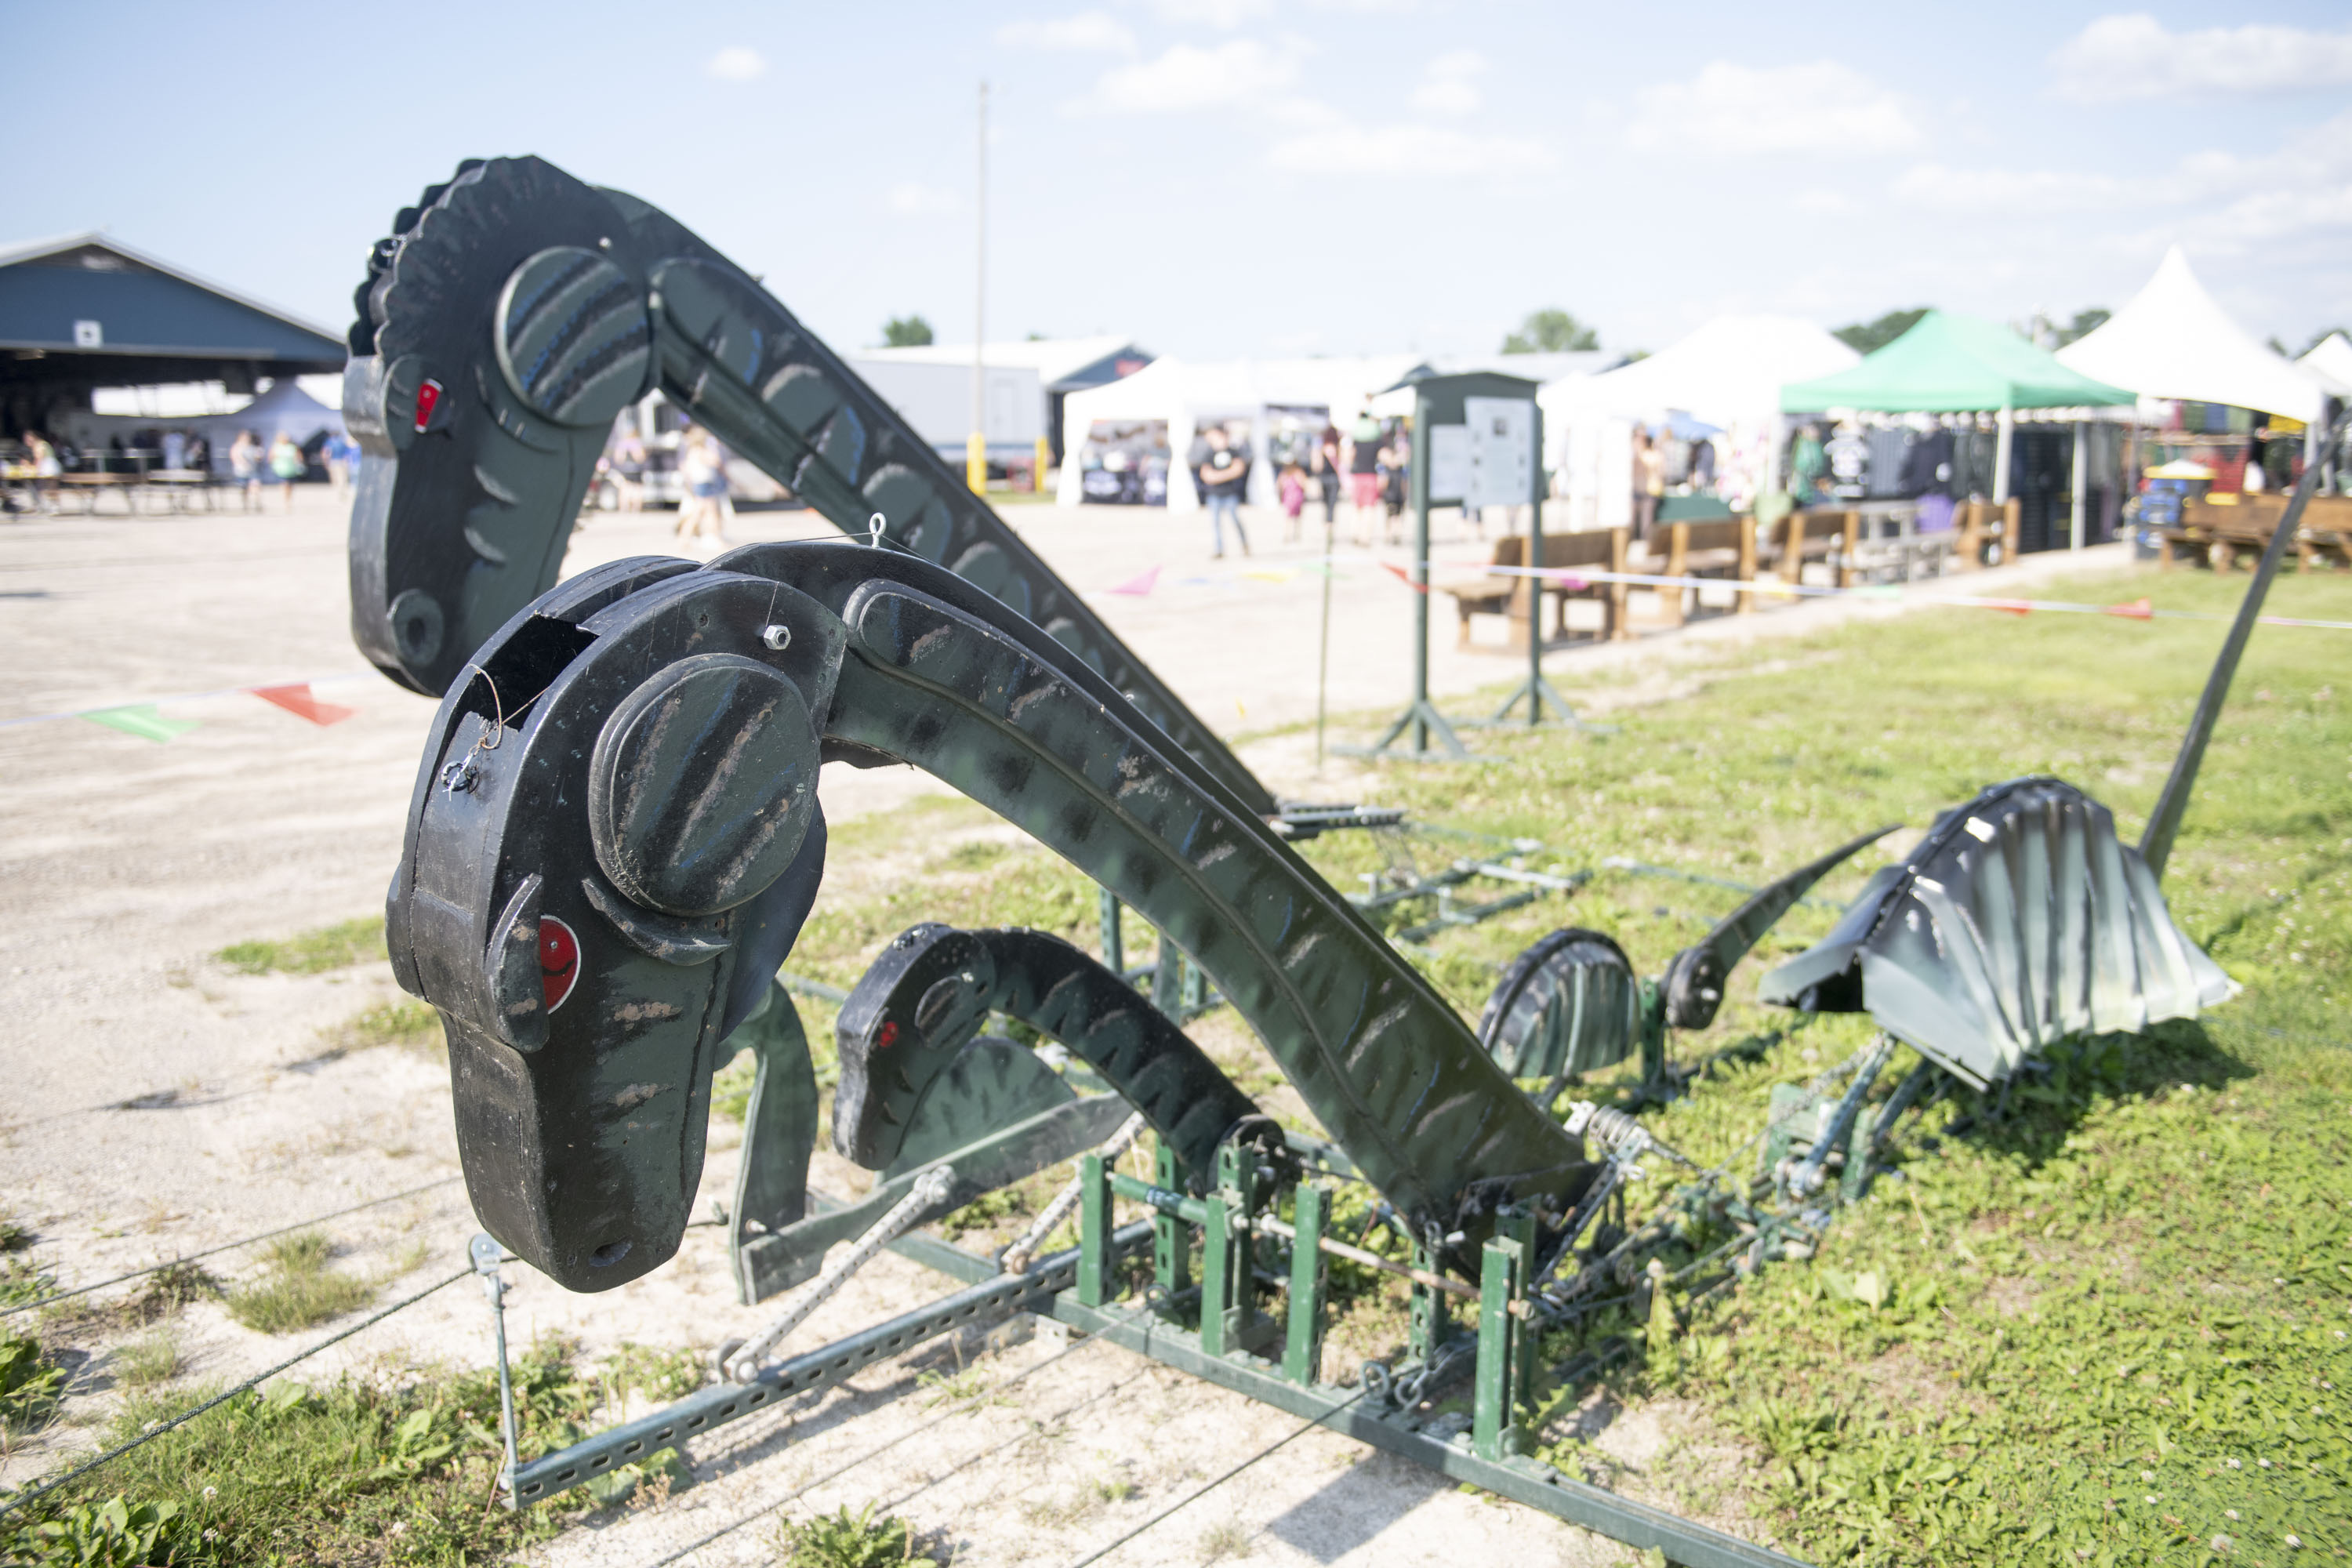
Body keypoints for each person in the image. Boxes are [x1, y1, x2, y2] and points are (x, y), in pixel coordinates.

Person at [1197, 424, 1250, 558]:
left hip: (1230, 492)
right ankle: (1219, 549)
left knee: (1235, 520)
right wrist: (1227, 474)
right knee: (1215, 523)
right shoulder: (1209, 453)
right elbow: (1206, 475)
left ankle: (1244, 545)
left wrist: (1218, 476)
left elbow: (1238, 469)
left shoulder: (1233, 451)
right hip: (1214, 494)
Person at [673, 428, 731, 546]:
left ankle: (688, 537)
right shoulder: (699, 450)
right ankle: (710, 537)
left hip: (700, 484)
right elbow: (716, 461)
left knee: (704, 512)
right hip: (703, 484)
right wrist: (714, 448)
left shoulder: (692, 450)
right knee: (705, 512)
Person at [1344, 409, 1383, 546]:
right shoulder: (1376, 437)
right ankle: (1365, 537)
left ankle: (1355, 532)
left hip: (1357, 475)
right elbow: (1384, 457)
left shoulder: (1355, 438)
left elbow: (1349, 457)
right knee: (1369, 509)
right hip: (1371, 476)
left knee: (1356, 507)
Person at [1631, 425, 1662, 539]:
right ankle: (1634, 539)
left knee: (1646, 518)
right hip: (1636, 489)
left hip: (1648, 490)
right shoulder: (1635, 451)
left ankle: (1644, 541)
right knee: (1633, 518)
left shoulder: (1652, 454)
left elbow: (1653, 466)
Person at [1312, 422, 1342, 531]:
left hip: (1324, 477)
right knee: (1332, 501)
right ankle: (1330, 522)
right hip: (1335, 477)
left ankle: (1327, 522)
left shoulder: (1322, 447)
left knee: (1326, 501)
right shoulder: (1338, 448)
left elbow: (1317, 465)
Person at [268, 431, 305, 512]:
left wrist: (299, 464)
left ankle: (289, 500)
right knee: (285, 485)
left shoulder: (292, 447)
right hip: (281, 469)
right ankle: (286, 502)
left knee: (291, 486)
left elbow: (298, 456)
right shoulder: (276, 447)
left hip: (291, 469)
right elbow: (271, 458)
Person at [230, 430, 264, 511]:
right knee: (243, 488)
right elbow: (234, 457)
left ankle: (257, 503)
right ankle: (245, 504)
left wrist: (258, 457)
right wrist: (243, 462)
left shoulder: (252, 447)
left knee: (256, 486)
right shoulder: (237, 447)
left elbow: (258, 457)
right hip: (241, 471)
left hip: (253, 470)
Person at [1279, 461, 1308, 543]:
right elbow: (1303, 484)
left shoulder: (1286, 474)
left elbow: (1280, 486)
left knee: (1289, 517)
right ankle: (1293, 534)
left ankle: (1290, 534)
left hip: (1292, 497)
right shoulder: (1296, 473)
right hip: (1295, 497)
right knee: (1294, 518)